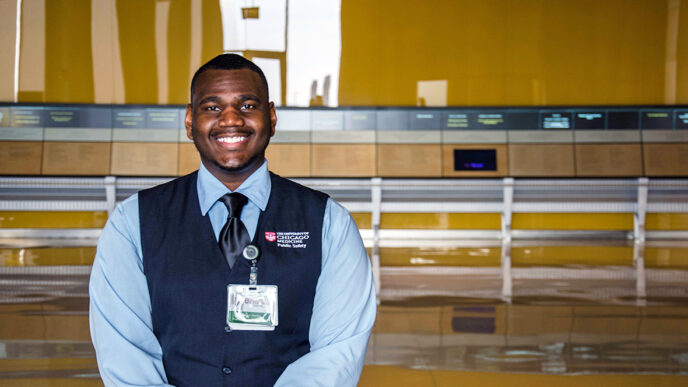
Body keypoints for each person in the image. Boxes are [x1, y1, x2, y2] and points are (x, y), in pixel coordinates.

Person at [89, 54, 376, 387]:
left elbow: (336, 356)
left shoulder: (329, 224)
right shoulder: (132, 223)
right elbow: (124, 353)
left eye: (247, 105)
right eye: (212, 107)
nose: (230, 120)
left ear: (271, 117)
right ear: (188, 121)